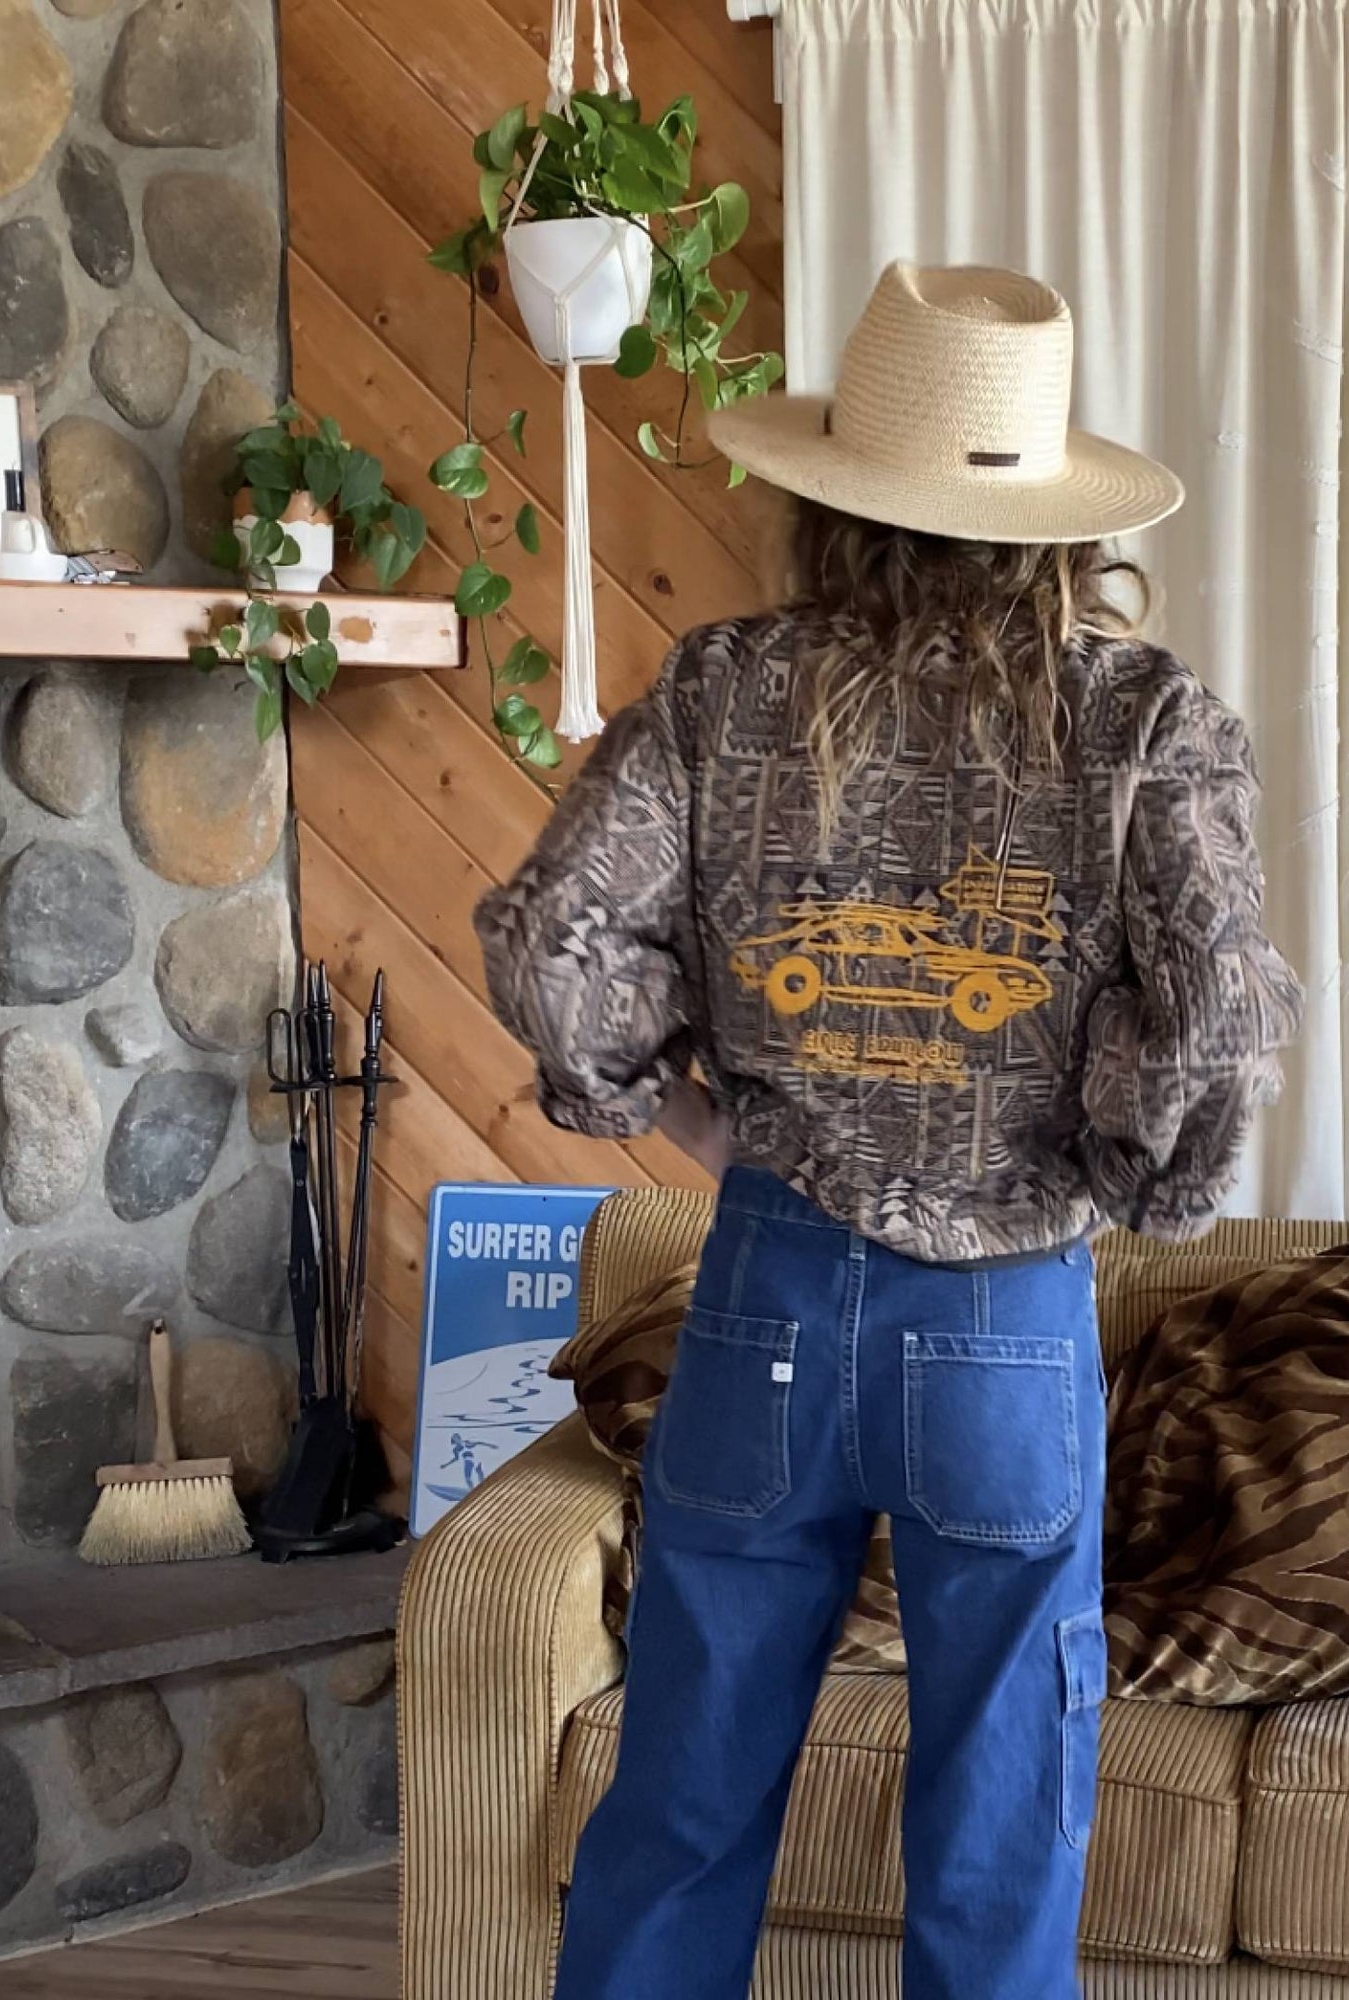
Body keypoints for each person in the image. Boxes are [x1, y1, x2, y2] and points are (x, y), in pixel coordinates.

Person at [474, 262, 1303, 2000]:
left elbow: (557, 934)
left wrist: (691, 1122)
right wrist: (1124, 1159)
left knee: (684, 1801)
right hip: (1003, 1324)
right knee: (997, 1837)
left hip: (767, 1295)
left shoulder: (726, 694)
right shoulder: (1135, 722)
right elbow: (1222, 1015)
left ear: (838, 497)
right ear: (1053, 518)